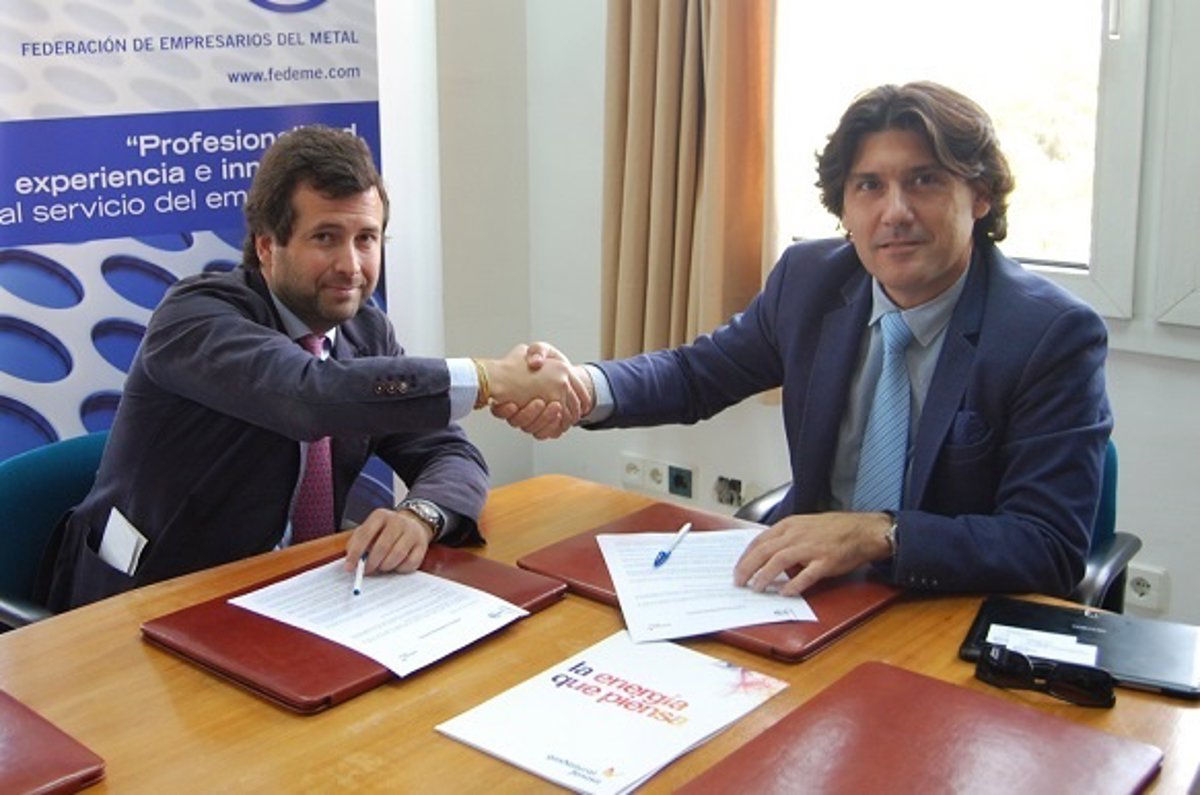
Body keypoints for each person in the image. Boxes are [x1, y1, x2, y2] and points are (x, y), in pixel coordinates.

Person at [497, 82, 1112, 598]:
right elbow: (696, 374)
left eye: (924, 180)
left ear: (979, 196)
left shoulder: (1049, 335)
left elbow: (1047, 544)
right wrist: (584, 386)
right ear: (843, 208)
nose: (895, 212)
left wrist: (881, 533)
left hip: (944, 608)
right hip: (809, 595)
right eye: (869, 186)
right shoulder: (810, 281)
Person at [40, 125, 589, 611]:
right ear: (266, 246)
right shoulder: (195, 317)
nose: (351, 266)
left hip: (298, 596)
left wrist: (421, 515)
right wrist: (489, 378)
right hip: (148, 599)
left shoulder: (365, 331)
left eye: (366, 239)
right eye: (326, 238)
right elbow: (309, 397)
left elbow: (449, 451)